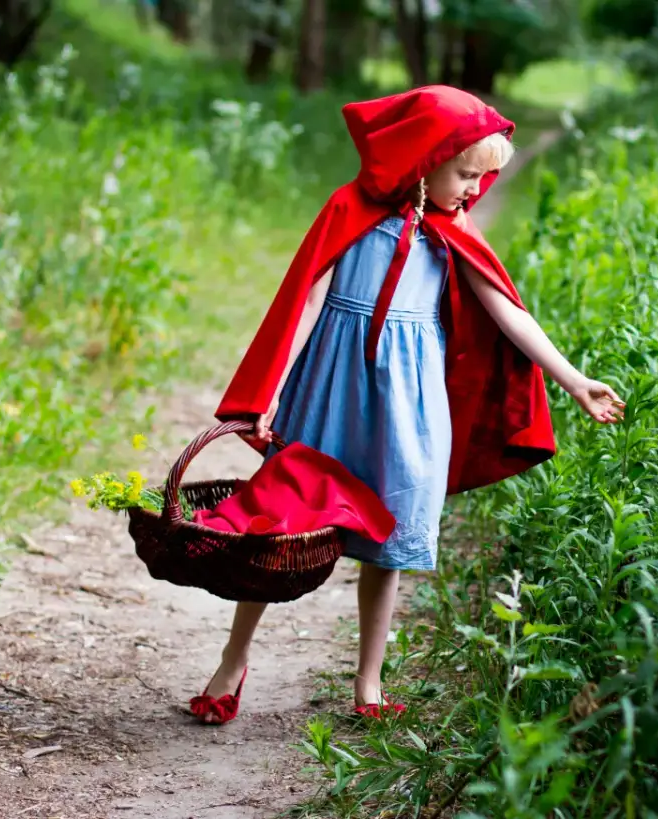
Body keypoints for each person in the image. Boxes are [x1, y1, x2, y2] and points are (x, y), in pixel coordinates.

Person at [192, 85, 623, 724]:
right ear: (424, 158)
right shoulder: (349, 207)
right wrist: (274, 387)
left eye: (485, 178)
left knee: (392, 530)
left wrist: (571, 378)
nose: (475, 189)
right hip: (333, 382)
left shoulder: (454, 229)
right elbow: (307, 301)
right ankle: (233, 661)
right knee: (278, 521)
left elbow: (506, 308)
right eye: (465, 173)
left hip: (410, 398)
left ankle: (368, 683)